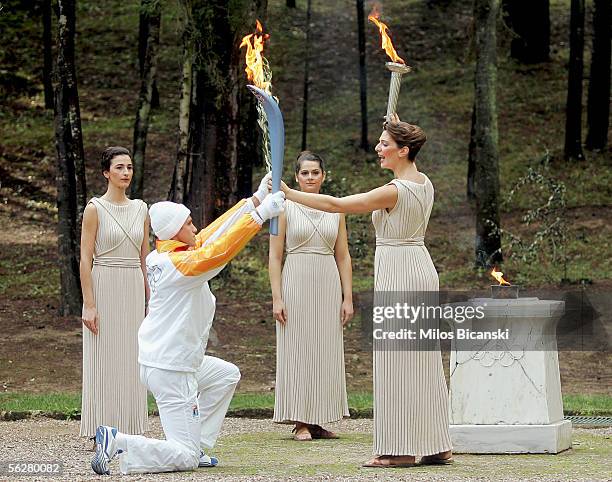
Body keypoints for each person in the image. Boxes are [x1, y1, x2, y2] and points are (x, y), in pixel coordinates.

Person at [274, 115, 453, 467]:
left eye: (385, 144)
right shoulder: (425, 183)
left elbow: (337, 205)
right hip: (420, 266)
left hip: (399, 271)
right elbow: (403, 162)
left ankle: (399, 450)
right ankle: (436, 444)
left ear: (403, 150)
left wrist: (289, 192)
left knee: (396, 360)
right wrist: (399, 130)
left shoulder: (393, 191)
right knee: (423, 359)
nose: (378, 148)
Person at [90, 175, 285, 476]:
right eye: (189, 224)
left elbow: (211, 235)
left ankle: (198, 444)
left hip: (173, 360)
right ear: (174, 231)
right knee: (184, 458)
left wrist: (255, 199)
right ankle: (119, 441)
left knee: (226, 376)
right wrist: (258, 217)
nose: (194, 228)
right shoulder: (177, 266)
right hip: (172, 369)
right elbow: (217, 253)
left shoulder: (169, 252)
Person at [269, 151, 353, 441]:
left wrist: (348, 297)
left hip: (327, 281)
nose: (310, 178)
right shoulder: (283, 206)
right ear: (296, 177)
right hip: (296, 279)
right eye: (304, 173)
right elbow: (275, 256)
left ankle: (319, 419)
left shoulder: (335, 208)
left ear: (323, 176)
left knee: (325, 349)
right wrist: (277, 297)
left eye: (315, 173)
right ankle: (300, 421)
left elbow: (343, 256)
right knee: (298, 348)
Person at [80, 146, 149, 440]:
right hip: (104, 284)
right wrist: (89, 304)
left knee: (133, 356)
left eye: (129, 167)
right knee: (104, 356)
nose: (125, 173)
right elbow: (85, 259)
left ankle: (130, 428)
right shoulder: (95, 208)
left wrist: (150, 300)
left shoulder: (142, 209)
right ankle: (102, 427)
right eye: (119, 167)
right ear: (106, 173)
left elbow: (146, 257)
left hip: (133, 284)